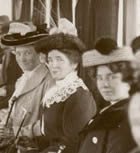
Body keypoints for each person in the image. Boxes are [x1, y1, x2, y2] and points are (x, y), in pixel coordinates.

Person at [33, 32, 97, 153]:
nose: (53, 65)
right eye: (50, 60)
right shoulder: (56, 91)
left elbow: (74, 143)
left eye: (59, 60)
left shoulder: (79, 95)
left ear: (74, 64)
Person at [78, 38, 137, 153]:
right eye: (100, 78)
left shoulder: (128, 116)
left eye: (112, 77)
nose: (104, 84)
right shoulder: (107, 111)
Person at [0, 22, 54, 140]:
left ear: (39, 54)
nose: (21, 59)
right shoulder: (21, 81)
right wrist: (4, 125)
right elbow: (13, 113)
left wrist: (14, 132)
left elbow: (48, 124)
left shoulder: (49, 81)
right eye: (18, 54)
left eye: (28, 53)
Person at [0, 16, 22, 111]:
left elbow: (25, 83)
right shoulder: (6, 53)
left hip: (15, 96)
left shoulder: (19, 57)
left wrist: (6, 89)